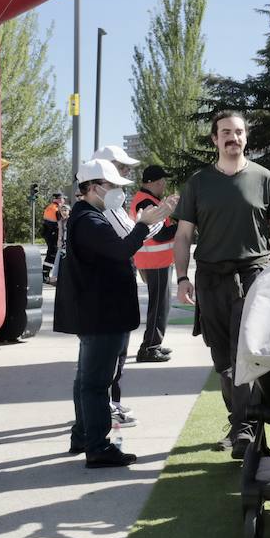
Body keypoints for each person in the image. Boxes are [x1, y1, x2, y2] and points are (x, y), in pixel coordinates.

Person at [173, 112, 270, 460]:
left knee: (245, 356)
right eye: (225, 133)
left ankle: (245, 430)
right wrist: (181, 277)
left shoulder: (266, 180)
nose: (232, 138)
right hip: (210, 279)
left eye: (238, 132)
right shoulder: (198, 183)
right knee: (223, 360)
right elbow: (183, 235)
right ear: (214, 139)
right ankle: (241, 422)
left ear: (246, 138)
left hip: (254, 276)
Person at [55, 159, 176, 468]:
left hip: (99, 313)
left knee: (88, 379)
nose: (118, 192)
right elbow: (122, 250)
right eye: (113, 186)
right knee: (96, 383)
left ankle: (83, 436)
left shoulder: (88, 217)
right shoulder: (89, 220)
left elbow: (121, 246)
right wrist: (142, 223)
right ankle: (97, 446)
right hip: (102, 313)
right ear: (94, 188)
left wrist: (149, 221)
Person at [92, 144, 143, 426]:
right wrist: (151, 222)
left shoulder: (108, 207)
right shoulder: (105, 210)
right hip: (108, 293)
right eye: (119, 168)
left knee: (115, 355)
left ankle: (110, 404)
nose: (125, 173)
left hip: (113, 288)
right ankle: (106, 408)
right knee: (110, 356)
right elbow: (131, 238)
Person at [130, 165, 177, 363]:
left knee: (161, 305)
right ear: (155, 182)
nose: (164, 184)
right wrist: (183, 225)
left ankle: (153, 344)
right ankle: (149, 347)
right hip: (154, 262)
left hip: (157, 261)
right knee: (158, 305)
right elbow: (160, 235)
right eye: (162, 181)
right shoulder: (146, 202)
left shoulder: (149, 200)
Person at [41, 193, 63, 279]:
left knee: (50, 252)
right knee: (52, 254)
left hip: (47, 233)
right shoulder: (57, 209)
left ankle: (45, 273)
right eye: (62, 199)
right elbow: (59, 223)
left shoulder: (49, 207)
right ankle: (46, 274)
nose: (63, 200)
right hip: (54, 233)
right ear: (59, 199)